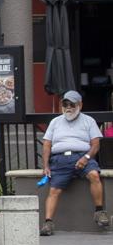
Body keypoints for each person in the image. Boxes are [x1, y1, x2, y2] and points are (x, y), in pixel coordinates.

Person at [39, 90, 110, 236]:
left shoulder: (88, 121)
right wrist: (45, 165)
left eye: (72, 104)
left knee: (94, 175)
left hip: (83, 156)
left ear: (80, 105)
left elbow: (95, 145)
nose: (68, 107)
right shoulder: (55, 122)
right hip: (60, 159)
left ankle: (99, 212)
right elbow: (46, 144)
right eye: (65, 104)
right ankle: (48, 223)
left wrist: (86, 158)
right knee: (54, 190)